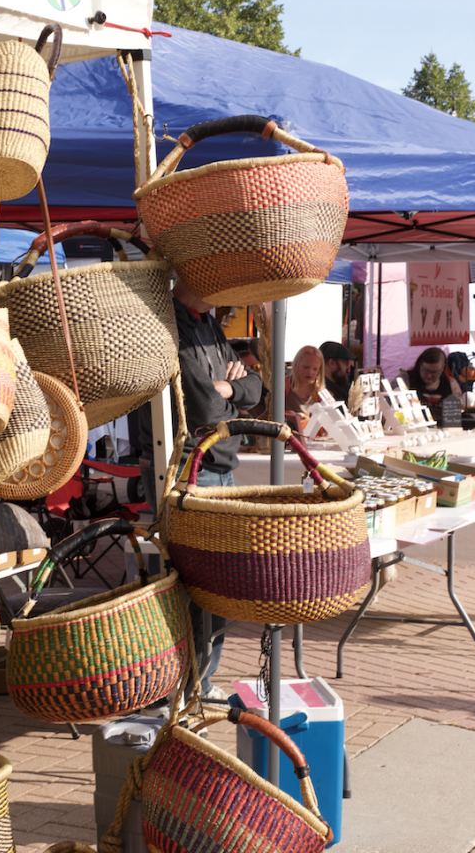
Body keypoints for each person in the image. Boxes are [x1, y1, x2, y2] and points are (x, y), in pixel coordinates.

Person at [143, 275, 263, 704]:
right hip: (188, 468)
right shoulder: (170, 327)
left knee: (216, 583)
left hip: (217, 468)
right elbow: (207, 410)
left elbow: (256, 388)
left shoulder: (207, 323)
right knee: (193, 583)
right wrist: (231, 396)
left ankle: (201, 681)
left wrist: (231, 386)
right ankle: (187, 685)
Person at [407, 347, 461, 420]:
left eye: (434, 372)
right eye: (426, 371)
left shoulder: (451, 383)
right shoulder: (405, 379)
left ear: (443, 368)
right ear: (420, 365)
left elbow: (459, 411)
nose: (429, 376)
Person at [285, 345, 325, 416]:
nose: (310, 372)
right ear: (296, 365)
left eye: (315, 369)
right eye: (306, 367)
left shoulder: (317, 389)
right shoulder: (286, 384)